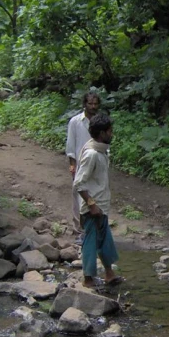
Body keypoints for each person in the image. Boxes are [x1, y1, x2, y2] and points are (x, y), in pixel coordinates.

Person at [74, 112, 124, 288]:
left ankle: (109, 274)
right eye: (110, 131)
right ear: (102, 133)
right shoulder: (92, 154)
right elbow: (79, 184)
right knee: (91, 241)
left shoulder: (101, 150)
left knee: (105, 239)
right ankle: (88, 279)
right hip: (93, 207)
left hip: (101, 204)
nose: (112, 134)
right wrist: (91, 205)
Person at [66, 91, 101, 234]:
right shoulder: (75, 122)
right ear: (84, 104)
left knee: (95, 193)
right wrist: (72, 165)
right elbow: (71, 145)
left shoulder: (100, 122)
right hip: (80, 164)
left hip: (97, 162)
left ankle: (94, 226)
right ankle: (78, 228)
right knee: (78, 195)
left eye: (95, 103)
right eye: (90, 103)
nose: (93, 106)